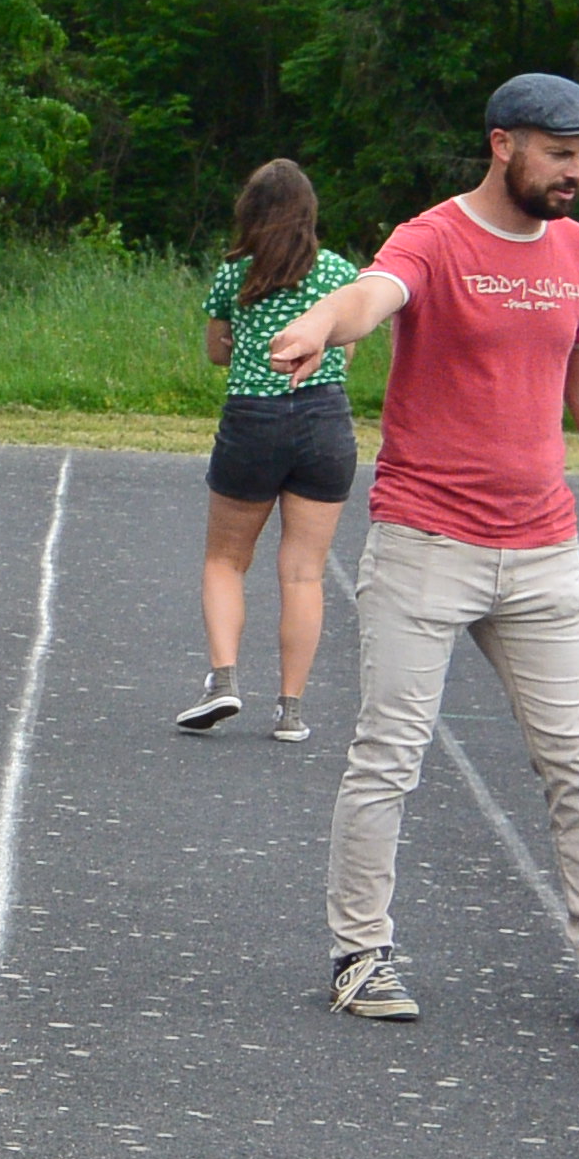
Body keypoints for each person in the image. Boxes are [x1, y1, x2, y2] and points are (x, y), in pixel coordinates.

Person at [262, 72, 579, 1028]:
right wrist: (320, 323)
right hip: (426, 544)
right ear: (503, 144)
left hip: (544, 551)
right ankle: (360, 954)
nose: (575, 173)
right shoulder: (434, 236)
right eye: (559, 154)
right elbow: (372, 296)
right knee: (389, 757)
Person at [179, 159, 362, 741]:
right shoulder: (338, 272)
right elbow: (345, 350)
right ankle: (291, 710)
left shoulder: (236, 275)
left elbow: (217, 351)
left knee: (226, 559)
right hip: (324, 421)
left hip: (253, 420)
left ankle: (224, 680)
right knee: (304, 573)